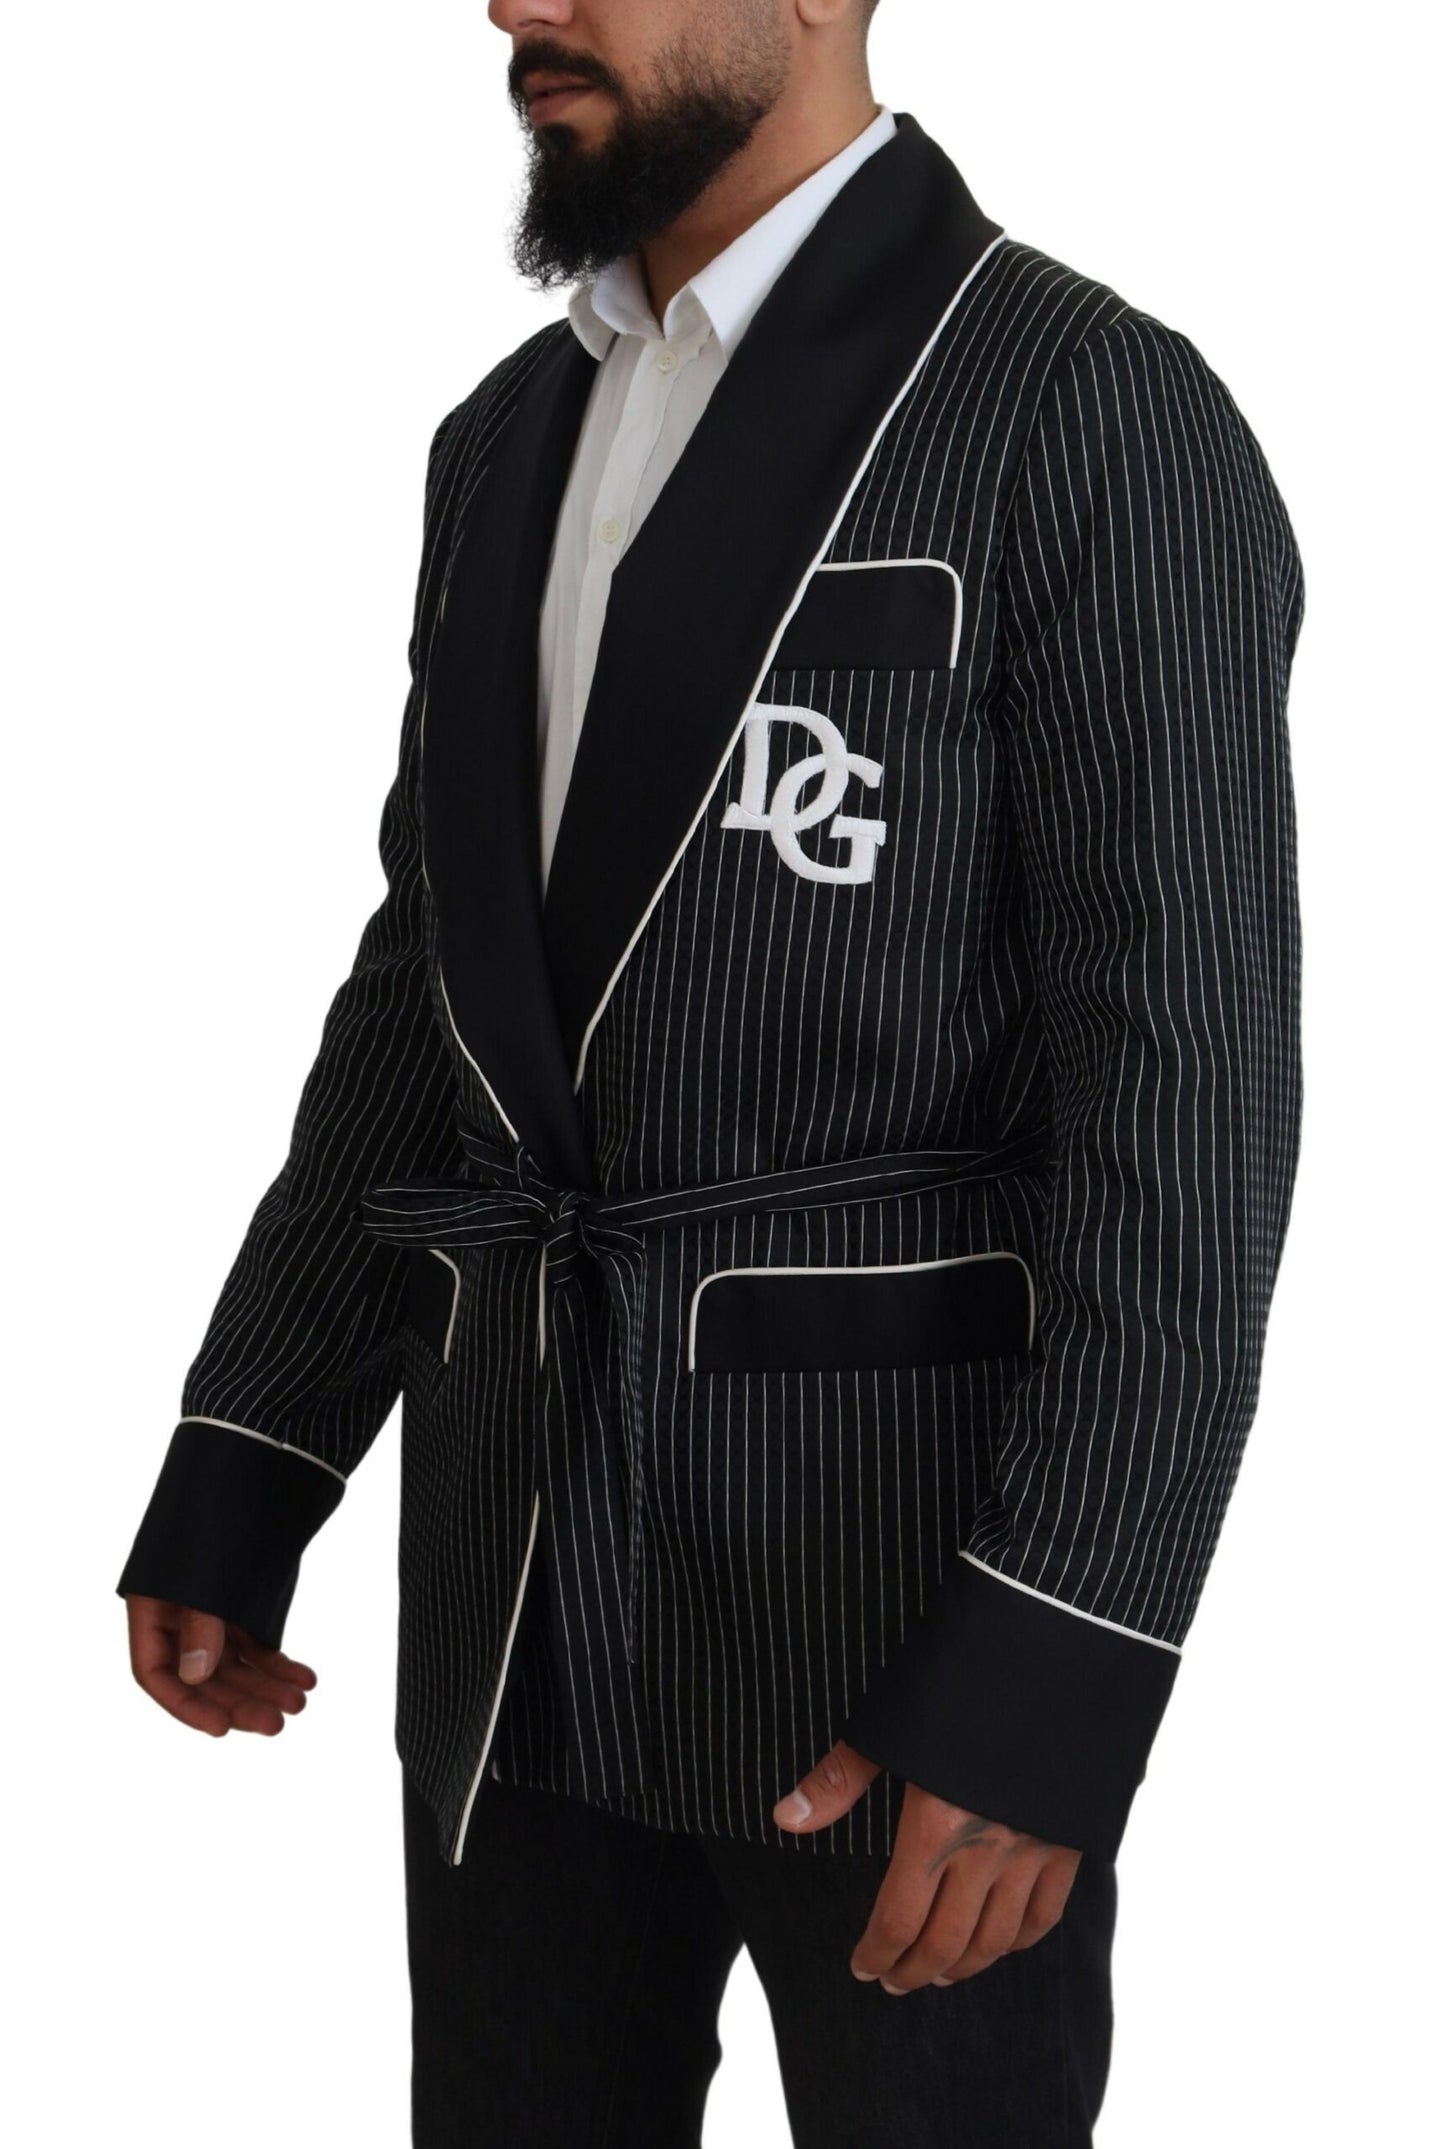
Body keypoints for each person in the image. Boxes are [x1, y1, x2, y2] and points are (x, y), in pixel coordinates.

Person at [116, 3, 1306, 2142]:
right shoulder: (503, 441)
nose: (515, 3)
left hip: (899, 1613)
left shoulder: (1086, 407)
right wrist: (255, 1442)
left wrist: (1060, 1659)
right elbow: (427, 990)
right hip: (516, 1576)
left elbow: (1184, 1100)